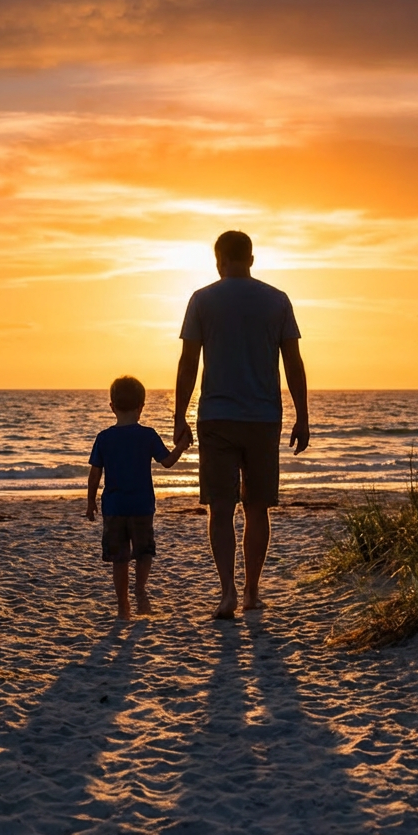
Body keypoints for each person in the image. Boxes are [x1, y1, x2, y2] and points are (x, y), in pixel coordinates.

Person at [174, 230, 310, 619]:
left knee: (220, 508)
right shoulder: (277, 300)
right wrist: (302, 415)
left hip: (216, 416)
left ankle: (227, 592)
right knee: (257, 508)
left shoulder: (202, 299)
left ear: (219, 261)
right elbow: (293, 363)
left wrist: (180, 415)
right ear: (251, 259)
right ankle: (251, 591)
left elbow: (188, 363)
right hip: (263, 418)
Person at [86, 375, 189, 620]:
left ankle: (123, 605)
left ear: (112, 407)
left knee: (119, 559)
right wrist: (182, 446)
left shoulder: (104, 437)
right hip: (142, 506)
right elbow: (167, 462)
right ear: (141, 406)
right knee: (144, 553)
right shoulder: (148, 435)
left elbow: (95, 473)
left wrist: (90, 502)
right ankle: (140, 590)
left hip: (114, 507)